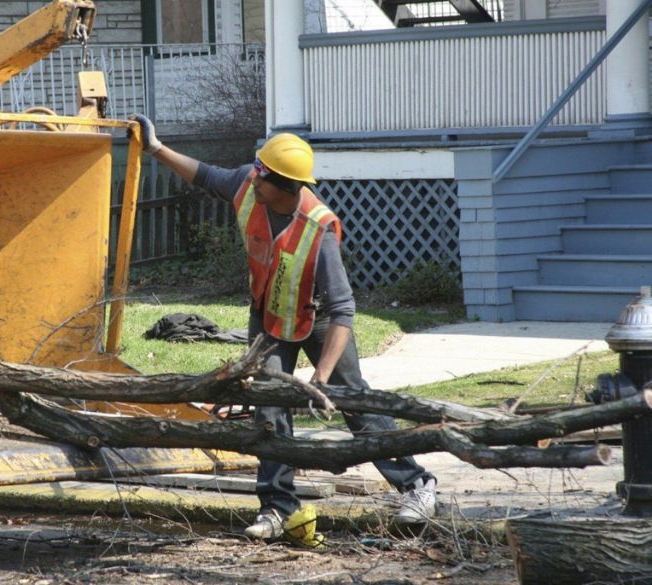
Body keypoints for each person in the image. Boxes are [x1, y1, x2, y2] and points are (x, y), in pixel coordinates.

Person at [130, 114, 438, 540]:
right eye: (257, 171)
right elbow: (205, 175)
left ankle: (417, 486)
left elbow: (343, 309)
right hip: (270, 318)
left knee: (354, 400)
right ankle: (278, 507)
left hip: (319, 321)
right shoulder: (248, 186)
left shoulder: (318, 229)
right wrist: (156, 148)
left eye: (263, 176)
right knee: (269, 404)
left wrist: (321, 379)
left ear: (288, 187)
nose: (253, 179)